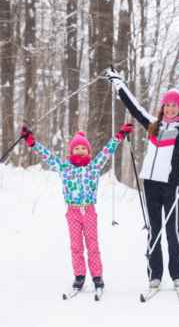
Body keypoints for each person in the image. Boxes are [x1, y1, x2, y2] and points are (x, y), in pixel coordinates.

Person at [106, 68, 179, 290]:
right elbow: (134, 107)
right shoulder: (153, 124)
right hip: (150, 184)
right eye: (167, 105)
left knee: (172, 230)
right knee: (154, 229)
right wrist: (119, 84)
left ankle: (178, 273)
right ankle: (155, 274)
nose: (170, 109)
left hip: (172, 185)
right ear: (163, 107)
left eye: (174, 106)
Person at [20, 123, 134, 291]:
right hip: (72, 212)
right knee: (76, 246)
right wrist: (32, 142)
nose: (80, 150)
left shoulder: (94, 166)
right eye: (76, 148)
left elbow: (107, 151)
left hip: (88, 211)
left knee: (93, 245)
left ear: (88, 151)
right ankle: (79, 276)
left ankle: (97, 277)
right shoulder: (64, 167)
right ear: (71, 152)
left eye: (83, 148)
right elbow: (48, 157)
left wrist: (119, 135)